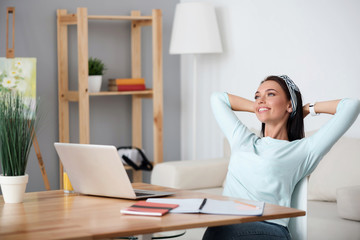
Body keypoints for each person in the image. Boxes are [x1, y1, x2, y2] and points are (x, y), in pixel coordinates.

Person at [202, 75, 360, 240]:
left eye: (270, 94)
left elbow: (351, 105)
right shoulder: (242, 139)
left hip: (266, 227)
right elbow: (218, 98)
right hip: (224, 223)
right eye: (257, 96)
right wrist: (259, 107)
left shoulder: (303, 150)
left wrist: (305, 109)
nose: (261, 99)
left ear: (289, 104)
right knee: (217, 231)